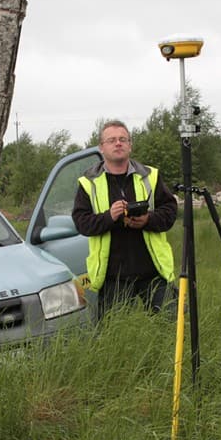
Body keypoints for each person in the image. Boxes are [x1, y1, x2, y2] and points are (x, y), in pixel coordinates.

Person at [72, 120, 177, 319]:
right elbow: (81, 223)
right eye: (111, 140)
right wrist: (109, 217)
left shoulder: (150, 176)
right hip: (113, 277)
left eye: (122, 139)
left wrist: (148, 219)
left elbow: (170, 211)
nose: (118, 143)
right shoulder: (88, 183)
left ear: (130, 145)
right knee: (118, 337)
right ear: (102, 148)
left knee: (172, 329)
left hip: (154, 272)